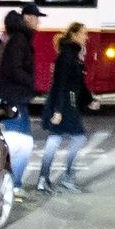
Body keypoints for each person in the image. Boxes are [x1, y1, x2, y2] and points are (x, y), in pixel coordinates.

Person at [33, 21, 91, 190]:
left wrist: (89, 100)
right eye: (83, 34)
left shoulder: (72, 54)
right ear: (74, 35)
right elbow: (61, 84)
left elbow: (78, 82)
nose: (86, 37)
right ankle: (64, 178)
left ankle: (44, 179)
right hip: (65, 105)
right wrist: (58, 111)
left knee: (55, 139)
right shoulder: (67, 56)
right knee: (77, 138)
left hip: (65, 103)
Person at [0, 5, 38, 194]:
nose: (37, 22)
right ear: (26, 18)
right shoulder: (20, 40)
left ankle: (11, 183)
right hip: (14, 100)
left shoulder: (17, 38)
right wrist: (31, 82)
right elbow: (14, 69)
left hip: (15, 98)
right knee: (20, 144)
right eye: (34, 17)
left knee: (21, 143)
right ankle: (12, 184)